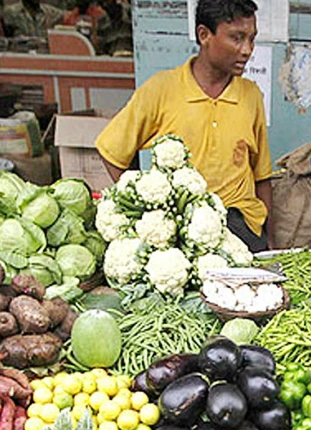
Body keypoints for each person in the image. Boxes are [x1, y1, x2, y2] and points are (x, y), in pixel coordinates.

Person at [94, 0, 274, 252]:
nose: (247, 50)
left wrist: (271, 243)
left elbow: (261, 175)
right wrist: (143, 202)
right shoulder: (161, 89)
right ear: (204, 35)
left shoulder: (251, 95)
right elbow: (112, 150)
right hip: (181, 230)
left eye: (252, 39)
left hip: (239, 223)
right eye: (237, 38)